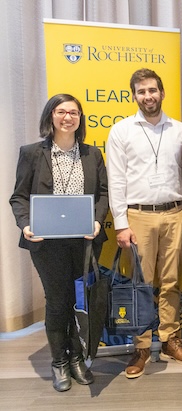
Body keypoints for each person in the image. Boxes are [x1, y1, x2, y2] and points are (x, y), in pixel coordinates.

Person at [9, 94, 108, 392]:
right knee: (57, 301)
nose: (68, 117)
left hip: (84, 241)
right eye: (62, 111)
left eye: (74, 112)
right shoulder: (31, 153)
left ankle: (77, 357)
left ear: (80, 119)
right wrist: (25, 224)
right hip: (46, 243)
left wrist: (97, 220)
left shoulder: (92, 154)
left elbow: (103, 194)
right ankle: (59, 361)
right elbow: (19, 197)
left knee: (80, 300)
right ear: (50, 116)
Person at [106, 68, 182, 379]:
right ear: (134, 95)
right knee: (141, 285)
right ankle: (142, 345)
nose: (148, 96)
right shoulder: (121, 131)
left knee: (172, 281)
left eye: (153, 90)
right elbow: (116, 180)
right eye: (142, 91)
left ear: (162, 92)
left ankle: (170, 339)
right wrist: (120, 223)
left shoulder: (180, 130)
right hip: (138, 216)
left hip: (175, 213)